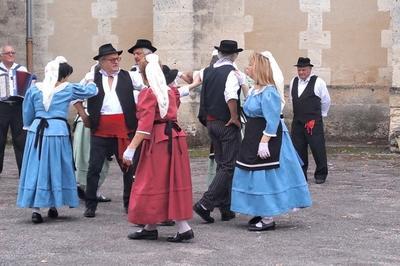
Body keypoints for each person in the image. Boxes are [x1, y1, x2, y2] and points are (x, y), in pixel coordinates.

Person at [231, 51, 312, 231]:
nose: (247, 68)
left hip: (266, 138)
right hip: (253, 136)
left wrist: (264, 141)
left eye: (251, 65)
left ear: (259, 68)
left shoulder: (269, 92)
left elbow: (272, 119)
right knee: (252, 173)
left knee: (265, 175)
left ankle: (268, 218)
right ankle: (260, 210)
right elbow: (250, 103)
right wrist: (243, 81)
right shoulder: (255, 90)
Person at [16, 56, 97, 223]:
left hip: (37, 131)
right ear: (63, 75)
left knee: (37, 168)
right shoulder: (68, 88)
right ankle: (53, 205)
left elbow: (27, 113)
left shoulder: (34, 89)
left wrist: (29, 125)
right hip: (57, 132)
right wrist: (91, 78)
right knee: (56, 166)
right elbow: (92, 91)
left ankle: (37, 209)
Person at [123, 54, 194, 243]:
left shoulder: (149, 93)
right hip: (175, 137)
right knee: (171, 181)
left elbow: (144, 126)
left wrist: (130, 148)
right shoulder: (169, 91)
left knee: (151, 181)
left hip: (158, 139)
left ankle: (182, 227)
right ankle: (151, 226)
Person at [84, 43, 138, 218]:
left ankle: (128, 202)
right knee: (94, 168)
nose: (116, 62)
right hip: (100, 129)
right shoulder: (91, 77)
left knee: (128, 167)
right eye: (112, 59)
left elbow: (148, 88)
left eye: (118, 58)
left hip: (123, 128)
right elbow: (74, 95)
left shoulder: (129, 76)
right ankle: (90, 204)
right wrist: (83, 116)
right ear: (102, 62)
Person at [192, 40, 243, 223]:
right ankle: (205, 203)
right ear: (234, 55)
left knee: (223, 164)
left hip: (211, 122)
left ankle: (226, 207)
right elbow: (230, 96)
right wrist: (234, 117)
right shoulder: (231, 73)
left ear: (219, 54)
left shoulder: (208, 71)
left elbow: (196, 80)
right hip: (225, 122)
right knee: (229, 166)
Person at [289, 57, 331, 184]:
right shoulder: (293, 81)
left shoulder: (318, 82)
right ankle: (301, 174)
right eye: (299, 70)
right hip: (297, 121)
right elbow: (292, 98)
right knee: (298, 148)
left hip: (313, 122)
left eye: (304, 70)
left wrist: (320, 115)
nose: (301, 72)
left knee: (317, 148)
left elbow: (326, 101)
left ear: (310, 69)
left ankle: (321, 173)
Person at [0, 45, 28, 175]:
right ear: (1, 55)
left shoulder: (21, 69)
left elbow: (28, 87)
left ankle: (23, 170)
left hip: (18, 106)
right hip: (2, 106)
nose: (11, 55)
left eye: (13, 52)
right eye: (8, 53)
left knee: (20, 139)